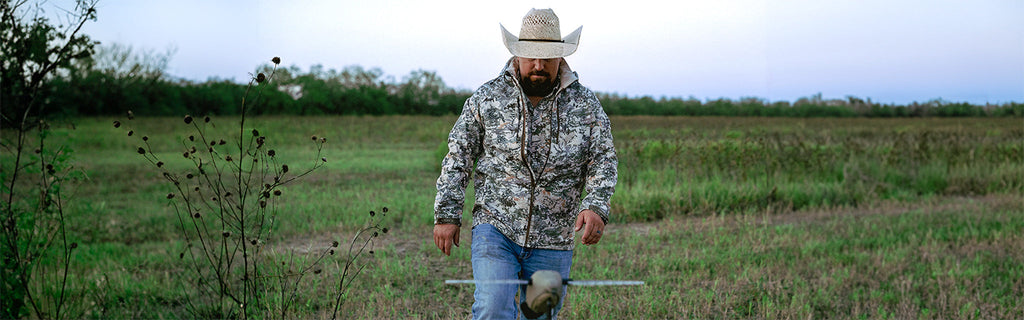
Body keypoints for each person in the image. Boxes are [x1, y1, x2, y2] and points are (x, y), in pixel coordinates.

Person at [432, 8, 618, 320]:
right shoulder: (487, 97)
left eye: (547, 58)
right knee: (492, 308)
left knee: (540, 314)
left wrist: (596, 205)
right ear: (517, 54)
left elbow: (603, 158)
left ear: (561, 56)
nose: (538, 66)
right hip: (495, 228)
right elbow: (458, 156)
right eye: (531, 56)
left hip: (554, 238)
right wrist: (447, 214)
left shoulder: (586, 105)